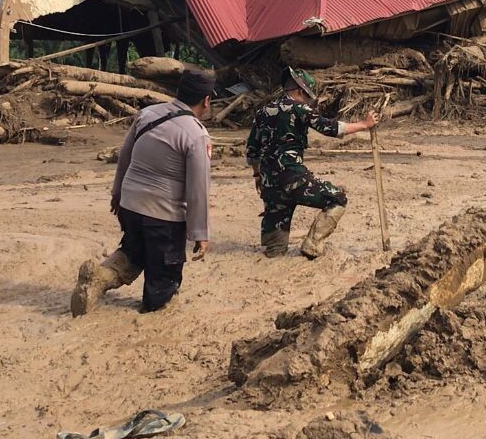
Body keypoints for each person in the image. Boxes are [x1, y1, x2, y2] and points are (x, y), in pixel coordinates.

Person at [69, 69, 215, 316]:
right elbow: (198, 188)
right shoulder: (196, 134)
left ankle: (99, 277)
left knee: (133, 253)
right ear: (206, 100)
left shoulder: (147, 114)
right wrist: (200, 233)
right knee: (162, 288)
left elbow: (125, 156)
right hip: (163, 216)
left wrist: (117, 194)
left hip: (130, 205)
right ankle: (154, 311)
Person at [245, 67, 378, 259]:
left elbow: (252, 150)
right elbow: (330, 128)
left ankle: (274, 250)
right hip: (293, 177)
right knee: (337, 198)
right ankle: (312, 245)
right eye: (308, 96)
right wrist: (364, 124)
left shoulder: (263, 112)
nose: (308, 101)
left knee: (275, 251)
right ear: (301, 91)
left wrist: (258, 176)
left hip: (269, 184)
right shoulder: (299, 109)